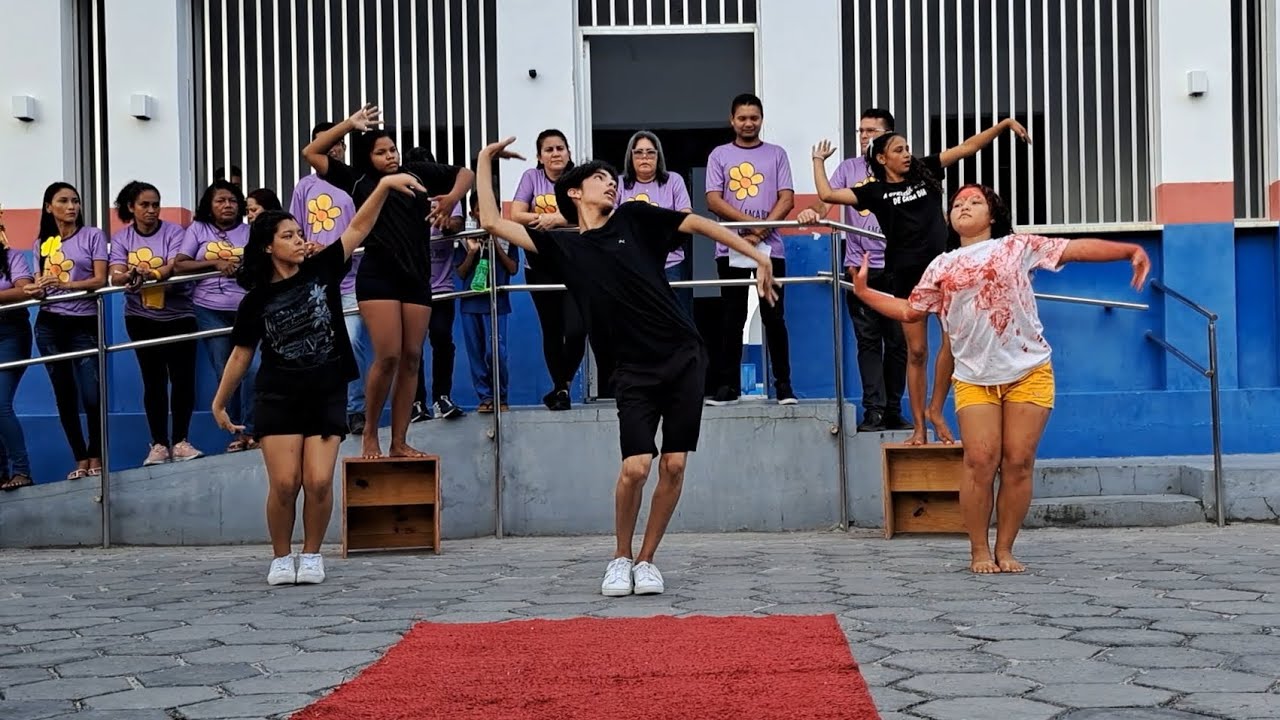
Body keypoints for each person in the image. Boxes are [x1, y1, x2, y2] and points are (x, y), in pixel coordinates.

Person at [476, 136, 778, 597]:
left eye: (611, 180)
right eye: (600, 179)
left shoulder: (636, 219)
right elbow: (491, 221)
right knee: (636, 467)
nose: (611, 185)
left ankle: (647, 560)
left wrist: (758, 256)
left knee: (674, 465)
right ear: (575, 192)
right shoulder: (562, 247)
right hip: (631, 369)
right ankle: (619, 556)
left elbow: (696, 221)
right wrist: (484, 160)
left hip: (682, 355)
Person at [853, 184, 1150, 574]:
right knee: (979, 461)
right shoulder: (941, 265)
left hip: (1029, 371)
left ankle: (1006, 548)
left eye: (975, 201)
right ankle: (979, 550)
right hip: (975, 377)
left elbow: (1074, 249)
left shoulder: (1015, 246)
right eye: (957, 203)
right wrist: (863, 291)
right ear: (949, 218)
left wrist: (1129, 251)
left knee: (1019, 462)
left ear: (991, 215)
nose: (964, 206)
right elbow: (910, 311)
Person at [212, 172, 421, 586]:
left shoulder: (322, 270)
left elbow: (358, 226)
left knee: (320, 480)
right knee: (286, 484)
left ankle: (311, 554)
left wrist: (381, 186)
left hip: (326, 389)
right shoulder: (256, 299)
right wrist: (220, 402)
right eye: (288, 236)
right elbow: (241, 353)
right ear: (269, 246)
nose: (298, 240)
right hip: (278, 395)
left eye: (298, 233)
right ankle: (279, 557)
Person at [812, 117, 1031, 445]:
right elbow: (827, 194)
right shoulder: (875, 191)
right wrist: (818, 161)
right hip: (907, 277)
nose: (907, 154)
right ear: (883, 159)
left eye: (908, 149)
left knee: (952, 344)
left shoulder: (925, 171)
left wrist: (1003, 125)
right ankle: (917, 427)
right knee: (916, 351)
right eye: (899, 150)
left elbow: (967, 148)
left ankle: (936, 410)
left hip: (944, 271)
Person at [302, 104, 474, 459]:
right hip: (378, 276)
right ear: (368, 157)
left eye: (393, 149)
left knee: (412, 357)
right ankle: (369, 432)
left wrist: (451, 199)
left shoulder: (417, 172)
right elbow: (312, 151)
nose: (391, 156)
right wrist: (349, 124)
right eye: (381, 152)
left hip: (417, 276)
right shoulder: (358, 180)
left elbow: (465, 173)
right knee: (389, 355)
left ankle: (399, 441)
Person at [798, 108, 909, 432]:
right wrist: (809, 214)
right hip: (859, 269)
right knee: (868, 342)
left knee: (899, 344)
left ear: (889, 137)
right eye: (860, 131)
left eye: (871, 131)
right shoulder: (848, 169)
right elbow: (824, 203)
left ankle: (892, 410)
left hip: (897, 268)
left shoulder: (904, 170)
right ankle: (873, 411)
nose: (863, 136)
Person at [704, 93, 796, 407]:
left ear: (761, 119)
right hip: (729, 246)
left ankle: (783, 387)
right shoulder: (719, 154)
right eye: (742, 118)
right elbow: (713, 200)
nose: (748, 123)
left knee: (774, 316)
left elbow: (787, 198)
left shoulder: (777, 154)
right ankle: (727, 387)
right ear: (732, 120)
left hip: (771, 249)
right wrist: (749, 229)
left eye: (753, 117)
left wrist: (760, 232)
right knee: (731, 317)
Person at [109, 181, 203, 466]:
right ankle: (159, 444)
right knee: (153, 381)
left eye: (155, 205)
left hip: (179, 316)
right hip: (141, 317)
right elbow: (116, 274)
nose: (151, 210)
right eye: (144, 205)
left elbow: (173, 265)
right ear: (131, 208)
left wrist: (151, 274)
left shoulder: (174, 231)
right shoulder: (122, 237)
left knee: (183, 379)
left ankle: (181, 440)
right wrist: (127, 275)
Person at [290, 121, 367, 435]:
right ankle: (321, 410)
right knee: (316, 348)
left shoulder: (356, 183)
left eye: (338, 143)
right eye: (325, 142)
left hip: (352, 281)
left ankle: (356, 409)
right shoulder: (303, 187)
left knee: (351, 342)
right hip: (315, 284)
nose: (333, 148)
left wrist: (336, 249)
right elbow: (294, 229)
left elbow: (368, 227)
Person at [28, 182, 108, 481]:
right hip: (49, 324)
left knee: (91, 394)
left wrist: (66, 286)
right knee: (64, 394)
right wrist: (35, 289)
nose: (72, 206)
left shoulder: (92, 236)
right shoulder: (42, 243)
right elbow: (39, 284)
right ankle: (81, 458)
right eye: (63, 201)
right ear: (49, 207)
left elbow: (99, 279)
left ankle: (97, 454)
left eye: (75, 200)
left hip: (83, 321)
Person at [176, 180, 258, 451]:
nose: (227, 205)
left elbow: (263, 264)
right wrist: (214, 262)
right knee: (226, 371)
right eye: (221, 201)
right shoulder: (198, 229)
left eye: (233, 201)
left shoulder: (250, 232)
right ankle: (237, 432)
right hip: (209, 308)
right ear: (209, 206)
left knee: (252, 368)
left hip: (246, 308)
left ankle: (252, 429)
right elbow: (180, 264)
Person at [510, 129, 588, 410]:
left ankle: (562, 383)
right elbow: (516, 214)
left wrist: (557, 219)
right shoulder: (532, 178)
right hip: (540, 265)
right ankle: (561, 389)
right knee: (552, 330)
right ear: (540, 157)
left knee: (578, 329)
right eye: (549, 150)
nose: (555, 154)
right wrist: (543, 218)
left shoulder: (580, 180)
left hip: (576, 265)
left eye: (560, 148)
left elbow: (591, 214)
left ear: (568, 153)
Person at [405, 147, 466, 423]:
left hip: (442, 286)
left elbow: (457, 224)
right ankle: (416, 402)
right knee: (412, 347)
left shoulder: (450, 194)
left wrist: (446, 224)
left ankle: (442, 397)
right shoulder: (404, 194)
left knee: (442, 339)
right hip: (412, 285)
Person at [617, 130, 693, 316]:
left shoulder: (674, 180)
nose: (645, 157)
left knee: (672, 319)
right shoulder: (618, 183)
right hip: (631, 265)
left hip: (669, 263)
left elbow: (685, 215)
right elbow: (609, 218)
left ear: (658, 156)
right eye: (639, 152)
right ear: (630, 156)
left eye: (651, 152)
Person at [455, 199, 519, 413]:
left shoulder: (508, 235)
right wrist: (472, 251)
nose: (485, 213)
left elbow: (512, 269)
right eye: (480, 209)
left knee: (495, 353)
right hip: (470, 303)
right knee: (476, 353)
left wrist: (496, 245)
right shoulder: (465, 238)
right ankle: (485, 398)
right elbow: (461, 272)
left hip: (497, 303)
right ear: (473, 213)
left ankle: (501, 396)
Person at [0, 205, 34, 490]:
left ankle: (22, 471)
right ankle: (2, 473)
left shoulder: (11, 258)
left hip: (10, 333)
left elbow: (25, 289)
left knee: (0, 404)